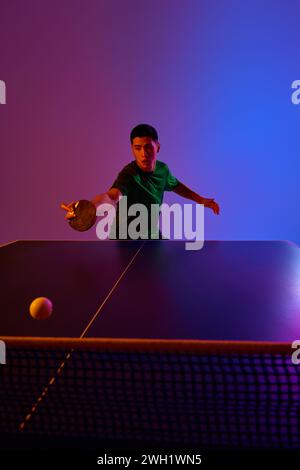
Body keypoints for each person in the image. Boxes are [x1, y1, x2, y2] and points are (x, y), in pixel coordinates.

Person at [64, 123, 220, 239]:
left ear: (157, 147)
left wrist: (200, 200)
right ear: (132, 148)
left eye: (148, 147)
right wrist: (91, 206)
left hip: (150, 232)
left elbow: (175, 185)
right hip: (125, 236)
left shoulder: (163, 170)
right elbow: (111, 196)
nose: (143, 153)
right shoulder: (128, 174)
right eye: (137, 148)